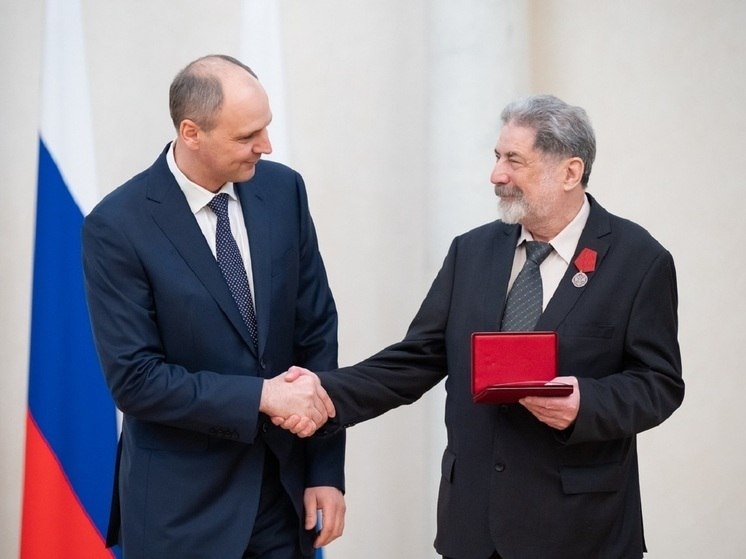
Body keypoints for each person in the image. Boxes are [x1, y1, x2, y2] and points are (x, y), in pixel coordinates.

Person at [280, 95, 684, 558]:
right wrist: (325, 393)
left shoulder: (638, 260)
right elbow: (417, 358)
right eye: (497, 157)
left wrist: (585, 404)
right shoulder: (471, 252)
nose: (496, 175)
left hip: (580, 530)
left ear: (570, 172)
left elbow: (659, 383)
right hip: (473, 528)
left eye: (514, 160)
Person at [82, 54, 345, 559]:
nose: (266, 146)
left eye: (266, 127)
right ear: (192, 133)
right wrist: (262, 396)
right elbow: (135, 380)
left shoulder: (283, 190)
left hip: (283, 499)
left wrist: (325, 470)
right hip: (180, 513)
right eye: (248, 136)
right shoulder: (116, 226)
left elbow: (316, 332)